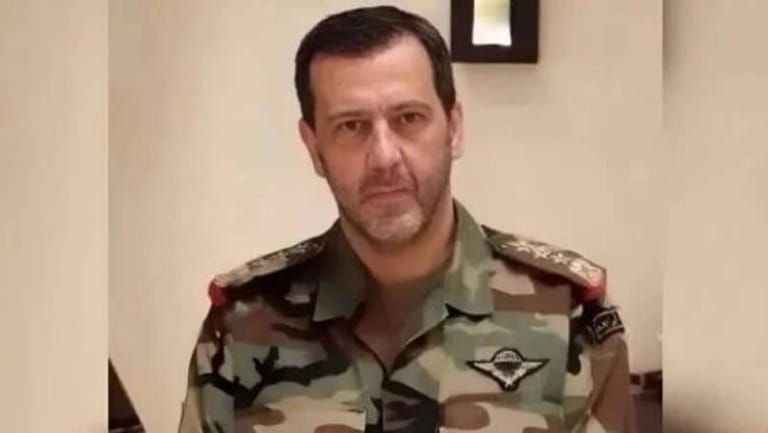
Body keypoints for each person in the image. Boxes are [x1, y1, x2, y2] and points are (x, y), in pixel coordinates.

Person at [178, 5, 635, 433]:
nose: (384, 157)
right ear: (314, 148)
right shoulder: (242, 324)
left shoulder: (568, 314)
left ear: (453, 128)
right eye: (351, 126)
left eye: (408, 118)